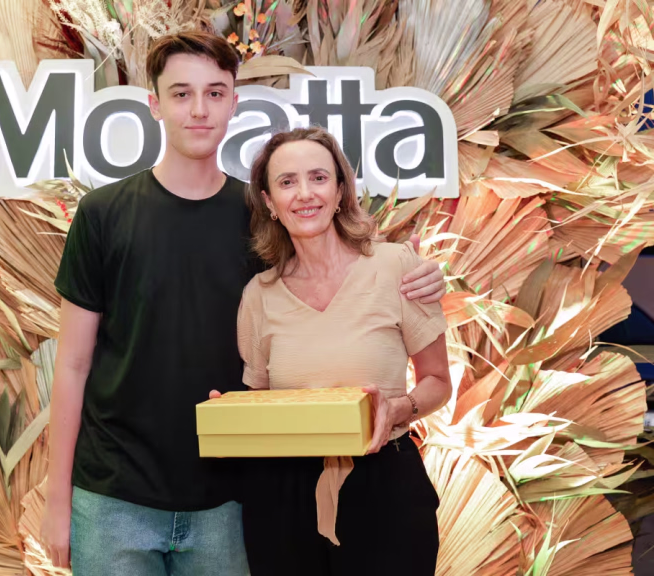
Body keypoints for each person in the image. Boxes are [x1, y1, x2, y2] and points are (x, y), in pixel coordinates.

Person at [41, 31, 449, 576]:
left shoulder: (258, 220)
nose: (199, 109)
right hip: (115, 497)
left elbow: (336, 278)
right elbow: (72, 365)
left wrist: (425, 274)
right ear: (154, 104)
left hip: (228, 502)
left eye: (214, 93)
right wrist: (58, 500)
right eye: (181, 93)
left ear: (234, 103)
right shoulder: (101, 214)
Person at [230, 126, 452, 576]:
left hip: (386, 487)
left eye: (318, 178)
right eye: (287, 182)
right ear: (269, 202)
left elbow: (438, 381)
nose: (304, 193)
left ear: (339, 191)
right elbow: (261, 403)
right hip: (284, 498)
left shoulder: (396, 266)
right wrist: (233, 416)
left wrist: (399, 408)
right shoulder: (258, 295)